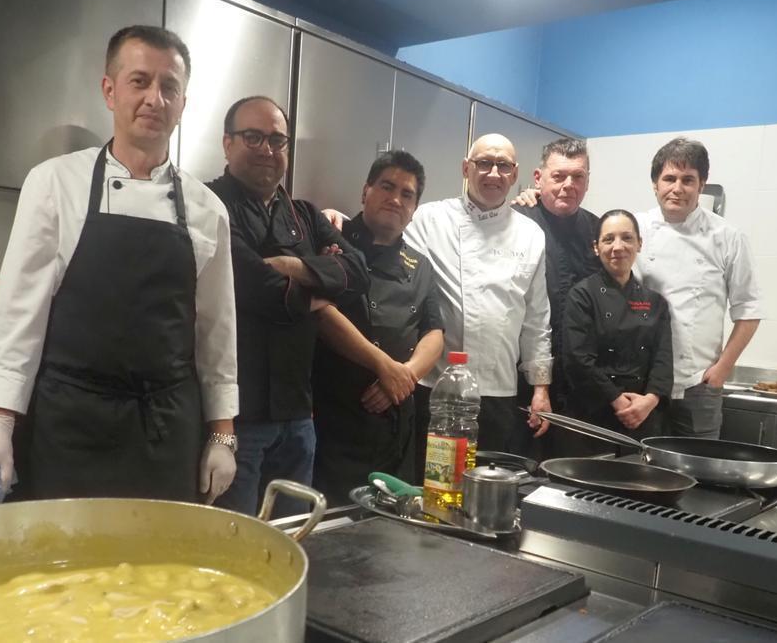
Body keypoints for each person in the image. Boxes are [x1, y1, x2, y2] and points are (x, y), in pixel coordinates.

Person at [0, 25, 238, 503]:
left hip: (166, 428)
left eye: (169, 86)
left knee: (162, 569)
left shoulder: (208, 208)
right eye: (139, 81)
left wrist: (222, 436)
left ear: (183, 103)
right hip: (70, 425)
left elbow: (216, 333)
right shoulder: (54, 183)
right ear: (109, 91)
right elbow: (18, 312)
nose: (155, 98)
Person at [207, 96, 369, 517]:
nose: (267, 149)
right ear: (227, 144)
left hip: (299, 417)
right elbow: (257, 287)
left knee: (294, 538)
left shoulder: (303, 214)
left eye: (277, 140)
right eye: (253, 137)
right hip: (235, 420)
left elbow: (358, 274)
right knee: (234, 546)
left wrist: (295, 266)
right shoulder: (209, 206)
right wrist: (320, 284)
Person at [402, 134, 553, 459]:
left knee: (482, 487)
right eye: (484, 163)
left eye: (503, 166)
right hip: (436, 385)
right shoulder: (430, 219)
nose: (493, 173)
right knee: (434, 484)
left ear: (515, 175)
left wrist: (540, 388)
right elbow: (391, 256)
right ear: (466, 168)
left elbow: (536, 317)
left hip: (498, 387)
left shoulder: (531, 234)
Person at [311, 151, 445, 502]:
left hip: (395, 423)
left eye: (407, 194)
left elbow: (434, 332)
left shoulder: (419, 266)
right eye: (387, 186)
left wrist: (405, 377)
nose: (396, 199)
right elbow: (321, 313)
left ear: (414, 208)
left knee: (393, 530)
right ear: (365, 191)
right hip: (334, 420)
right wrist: (383, 366)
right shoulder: (329, 244)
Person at [636, 137, 763, 439]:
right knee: (640, 472)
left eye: (687, 180)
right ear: (655, 184)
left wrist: (721, 371)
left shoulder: (727, 236)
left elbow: (749, 311)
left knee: (698, 475)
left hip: (698, 386)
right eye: (669, 178)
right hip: (642, 383)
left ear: (701, 185)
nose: (677, 188)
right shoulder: (634, 228)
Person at [510, 138, 603, 457]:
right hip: (522, 383)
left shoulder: (598, 231)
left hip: (580, 387)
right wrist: (540, 386)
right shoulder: (515, 222)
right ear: (538, 179)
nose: (568, 185)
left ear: (588, 181)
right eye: (559, 176)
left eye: (578, 177)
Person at [562, 210, 672, 443]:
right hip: (593, 415)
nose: (618, 247)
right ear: (596, 247)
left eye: (627, 238)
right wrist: (618, 401)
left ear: (639, 244)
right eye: (608, 239)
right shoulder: (582, 295)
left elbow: (663, 361)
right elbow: (578, 359)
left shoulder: (655, 301)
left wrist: (649, 401)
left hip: (643, 415)